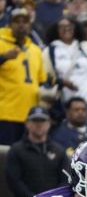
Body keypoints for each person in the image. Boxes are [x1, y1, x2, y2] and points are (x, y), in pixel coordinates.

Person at [5, 106, 66, 197]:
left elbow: (65, 180)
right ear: (27, 123)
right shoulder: (16, 150)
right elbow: (13, 181)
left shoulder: (59, 150)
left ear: (49, 124)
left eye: (42, 120)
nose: (39, 124)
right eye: (35, 120)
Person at [0, 8, 47, 145]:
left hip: (30, 116)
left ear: (30, 25)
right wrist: (3, 58)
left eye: (25, 22)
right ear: (9, 24)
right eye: (17, 21)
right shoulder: (1, 44)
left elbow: (41, 80)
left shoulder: (35, 49)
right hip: (5, 114)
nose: (21, 25)